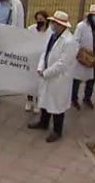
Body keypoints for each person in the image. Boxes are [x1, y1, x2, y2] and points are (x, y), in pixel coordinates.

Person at [28, 11, 78, 143]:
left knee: (57, 105)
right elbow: (45, 51)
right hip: (47, 74)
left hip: (59, 79)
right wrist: (40, 67)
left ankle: (57, 130)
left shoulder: (69, 42)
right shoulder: (52, 35)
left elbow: (62, 64)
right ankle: (43, 122)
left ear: (61, 25)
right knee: (45, 100)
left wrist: (46, 73)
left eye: (54, 23)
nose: (52, 25)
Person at [70, 4, 95, 110]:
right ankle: (74, 99)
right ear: (90, 15)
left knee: (92, 78)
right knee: (77, 79)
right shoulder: (81, 26)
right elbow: (75, 40)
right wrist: (82, 51)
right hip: (83, 56)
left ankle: (87, 98)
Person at [24, 10, 51, 112]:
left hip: (43, 60)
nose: (39, 21)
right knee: (30, 81)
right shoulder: (31, 29)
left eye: (41, 19)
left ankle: (38, 102)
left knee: (40, 83)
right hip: (32, 59)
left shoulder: (50, 32)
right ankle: (29, 101)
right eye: (37, 19)